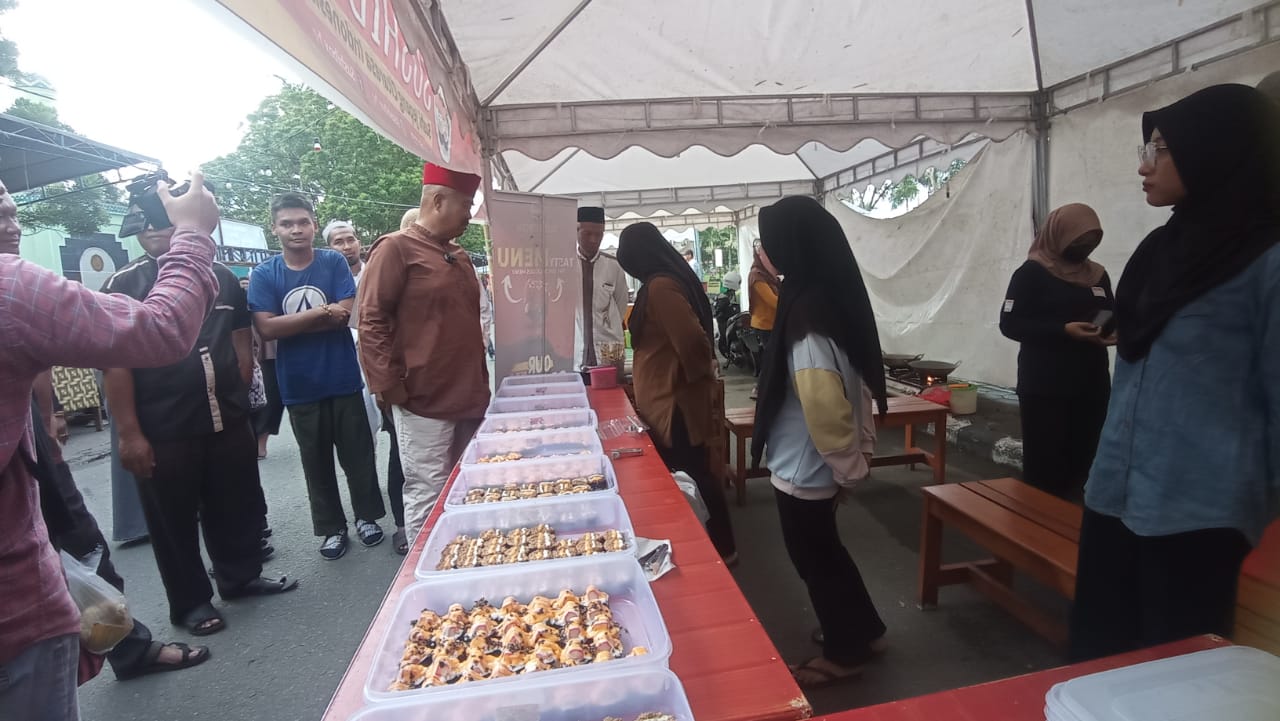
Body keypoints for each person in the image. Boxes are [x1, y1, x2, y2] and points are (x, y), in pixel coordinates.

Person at [1070, 84, 1280, 661]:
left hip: (1198, 508)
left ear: (1216, 149)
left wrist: (1253, 509)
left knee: (1178, 671)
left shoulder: (1267, 261)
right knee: (1098, 656)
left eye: (1160, 149)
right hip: (1114, 490)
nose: (1145, 165)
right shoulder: (1162, 248)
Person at [0, 172, 220, 721]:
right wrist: (194, 235)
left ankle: (127, 644)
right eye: (0, 214)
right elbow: (160, 330)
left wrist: (45, 416)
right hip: (17, 611)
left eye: (13, 211)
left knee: (85, 544)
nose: (12, 225)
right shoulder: (12, 287)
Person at [102, 184, 295, 635]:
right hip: (163, 426)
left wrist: (242, 399)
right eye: (144, 225)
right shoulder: (122, 284)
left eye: (162, 221)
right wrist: (129, 433)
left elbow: (242, 341)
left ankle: (240, 577)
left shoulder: (221, 277)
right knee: (172, 519)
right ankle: (190, 603)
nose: (153, 231)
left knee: (236, 501)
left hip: (225, 415)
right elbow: (115, 366)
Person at [750, 196, 889, 688]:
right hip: (820, 461)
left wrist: (848, 467)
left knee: (814, 560)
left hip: (806, 465)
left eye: (768, 242)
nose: (763, 251)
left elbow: (823, 403)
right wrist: (856, 455)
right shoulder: (830, 296)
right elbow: (860, 383)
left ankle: (844, 651)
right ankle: (863, 628)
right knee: (829, 550)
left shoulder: (805, 313)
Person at [248, 193, 386, 560]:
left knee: (358, 456)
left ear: (313, 224)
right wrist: (322, 313)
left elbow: (345, 312)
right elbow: (266, 329)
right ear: (274, 228)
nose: (296, 229)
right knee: (315, 463)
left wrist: (291, 322)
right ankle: (331, 528)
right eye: (287, 224)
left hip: (343, 378)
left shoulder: (332, 262)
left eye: (302, 222)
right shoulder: (265, 273)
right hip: (299, 386)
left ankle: (367, 517)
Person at [359, 164, 490, 540]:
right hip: (422, 399)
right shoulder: (395, 248)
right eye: (465, 205)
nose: (469, 215)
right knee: (428, 491)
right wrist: (388, 385)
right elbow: (371, 320)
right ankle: (424, 567)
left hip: (469, 394)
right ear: (438, 201)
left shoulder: (460, 255)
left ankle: (467, 556)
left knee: (470, 482)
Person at [616, 222, 736, 561]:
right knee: (692, 471)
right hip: (670, 397)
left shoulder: (660, 287)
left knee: (693, 474)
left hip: (674, 401)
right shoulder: (661, 283)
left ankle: (722, 548)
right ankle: (718, 546)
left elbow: (692, 340)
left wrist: (698, 374)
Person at [999, 203, 1113, 501]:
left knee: (1085, 463)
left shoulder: (1098, 275)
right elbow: (1010, 324)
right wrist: (1063, 330)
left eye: (1093, 240)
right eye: (1080, 239)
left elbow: (1109, 311)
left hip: (1091, 384)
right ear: (1058, 235)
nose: (1086, 246)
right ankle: (1037, 524)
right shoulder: (1031, 274)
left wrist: (1106, 330)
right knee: (1045, 468)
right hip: (1046, 386)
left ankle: (1073, 524)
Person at [574, 206, 630, 374]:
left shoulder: (613, 265)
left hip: (609, 352)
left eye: (598, 234)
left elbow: (620, 305)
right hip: (574, 354)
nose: (593, 239)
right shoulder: (564, 265)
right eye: (587, 233)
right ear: (576, 231)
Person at [747, 241, 781, 399]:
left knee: (772, 358)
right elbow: (773, 302)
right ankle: (759, 389)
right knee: (772, 358)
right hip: (764, 325)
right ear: (759, 256)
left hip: (772, 323)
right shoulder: (757, 276)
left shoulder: (769, 276)